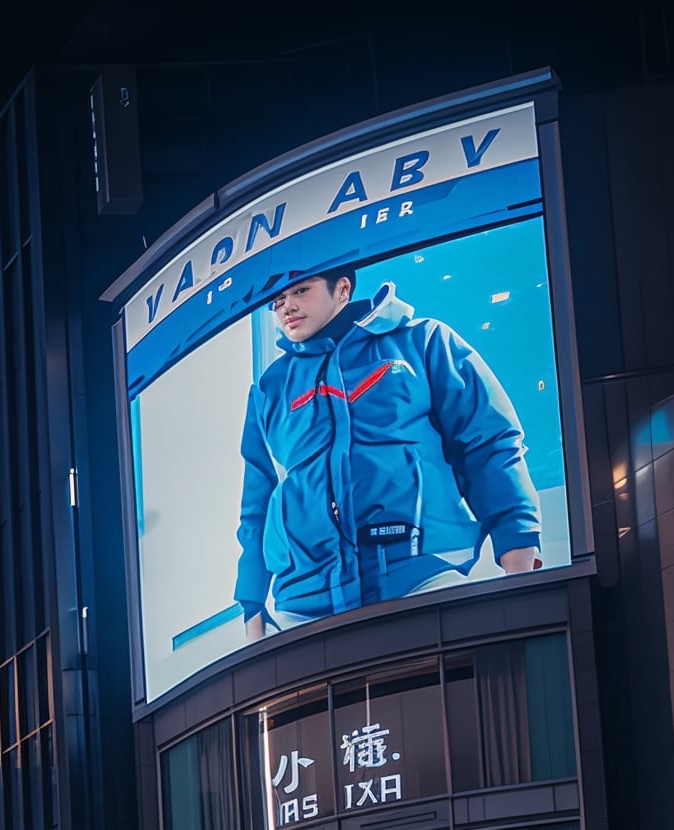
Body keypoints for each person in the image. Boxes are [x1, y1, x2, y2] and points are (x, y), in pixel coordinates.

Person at [232, 264, 548, 637]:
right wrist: (252, 601)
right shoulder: (269, 390)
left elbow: (488, 443)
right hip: (305, 607)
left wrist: (518, 543)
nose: (286, 307)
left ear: (343, 288)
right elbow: (257, 503)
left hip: (423, 579)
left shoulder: (422, 342)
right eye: (278, 301)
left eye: (301, 291)